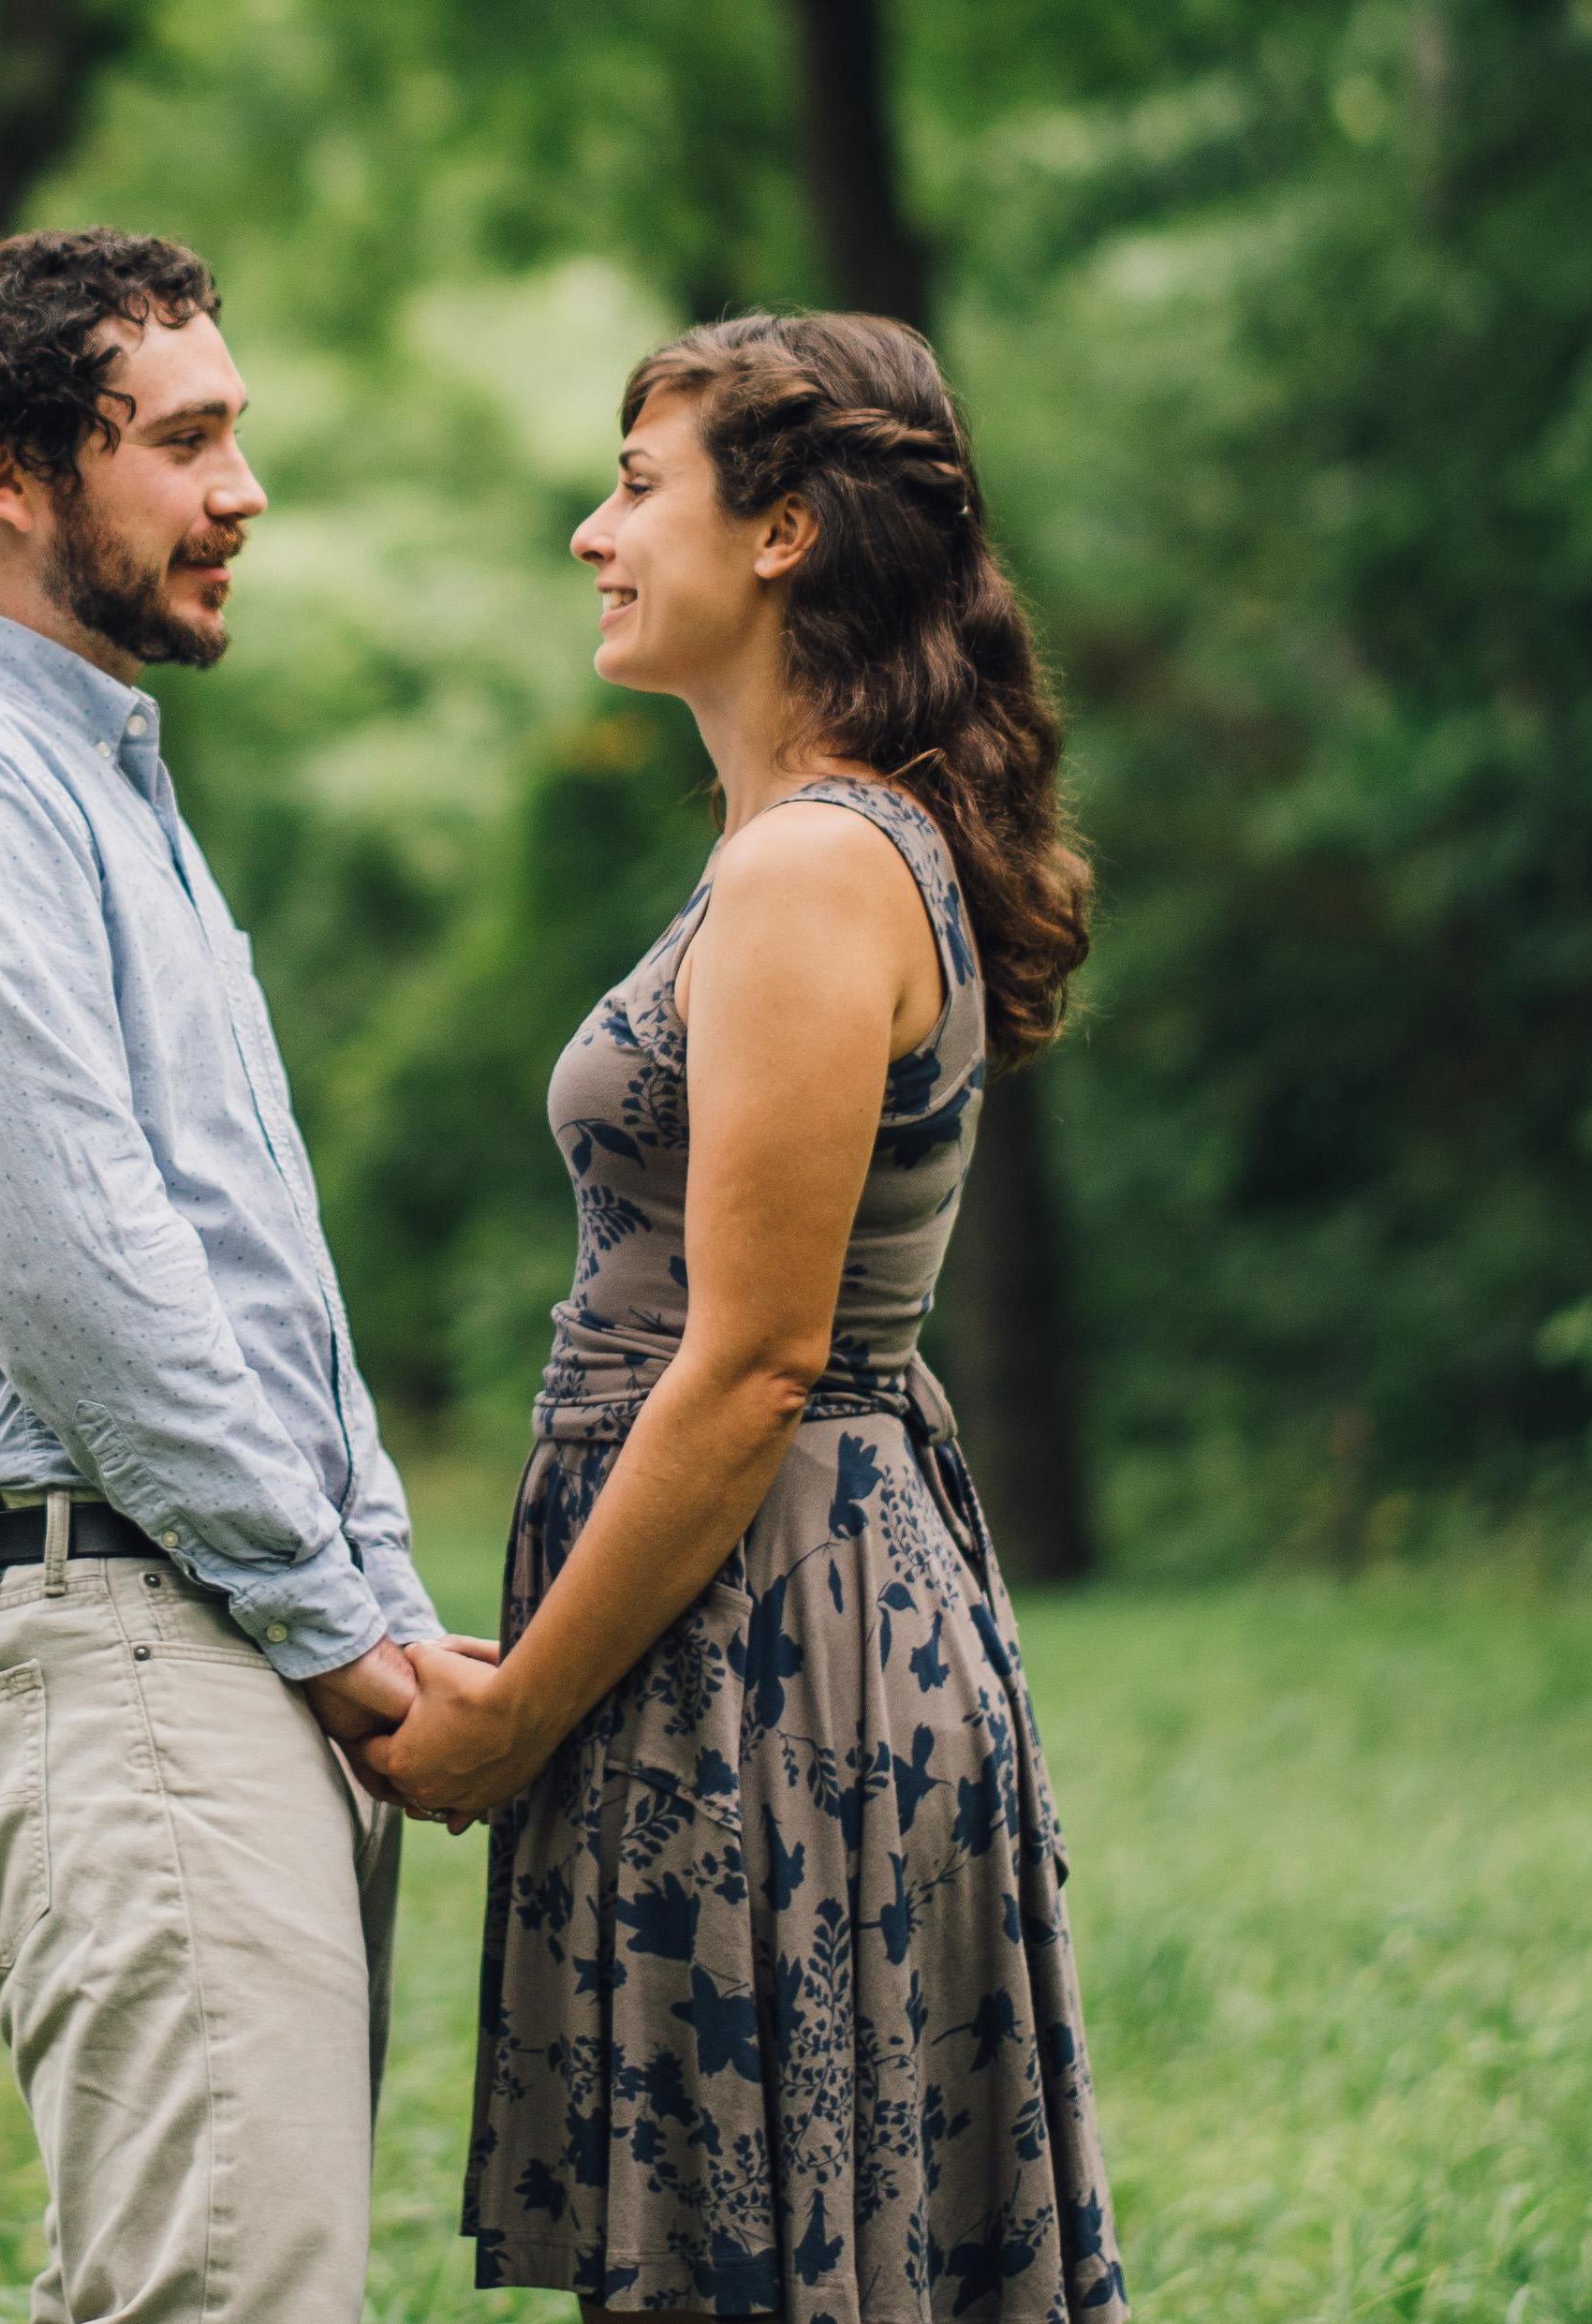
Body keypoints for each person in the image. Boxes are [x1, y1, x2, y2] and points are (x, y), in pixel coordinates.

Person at [365, 310, 1131, 2324]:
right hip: (753, 1616)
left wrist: (516, 1712)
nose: (588, 533)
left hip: (782, 1647)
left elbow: (754, 1359)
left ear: (781, 531)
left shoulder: (809, 868)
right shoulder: (798, 845)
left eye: (636, 486)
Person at [0, 226, 450, 2324]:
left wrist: (376, 1605)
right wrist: (346, 1632)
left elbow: (242, 1267)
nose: (241, 490)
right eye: (185, 439)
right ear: (1, 468)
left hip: (206, 1627)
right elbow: (82, 1273)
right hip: (116, 1642)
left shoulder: (92, 780)